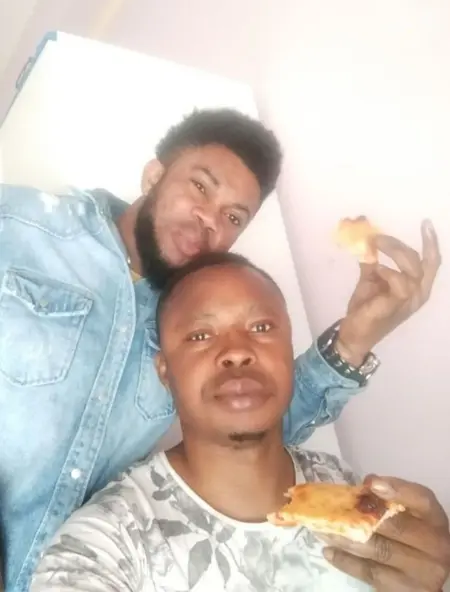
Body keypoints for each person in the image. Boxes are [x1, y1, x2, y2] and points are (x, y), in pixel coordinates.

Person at [0, 109, 440, 591]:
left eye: (233, 217)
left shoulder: (181, 312)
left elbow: (240, 428)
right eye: (200, 187)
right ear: (154, 175)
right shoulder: (17, 225)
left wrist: (355, 339)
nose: (209, 220)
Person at [31, 252, 450, 592]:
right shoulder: (101, 545)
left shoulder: (343, 487)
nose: (236, 351)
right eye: (200, 335)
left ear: (288, 351)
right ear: (165, 372)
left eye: (261, 327)